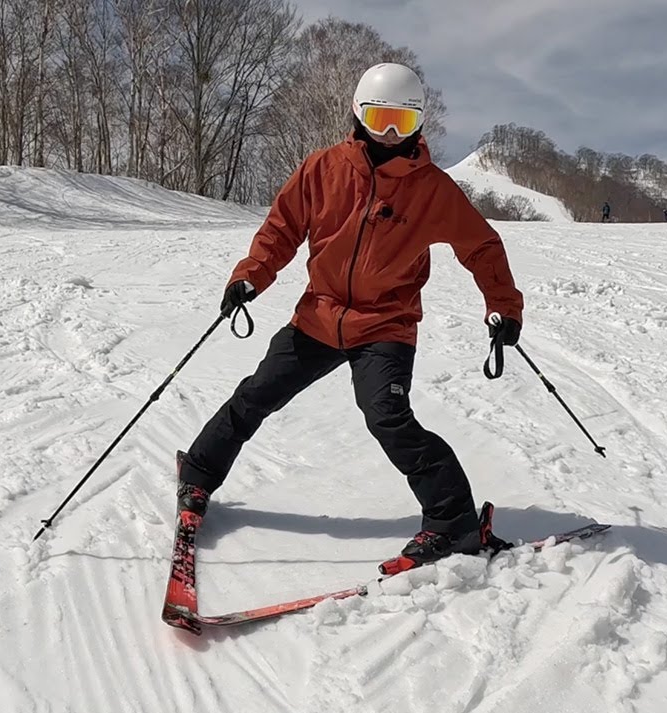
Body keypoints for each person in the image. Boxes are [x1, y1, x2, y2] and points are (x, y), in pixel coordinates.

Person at [175, 62, 524, 570]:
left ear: (419, 125)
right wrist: (251, 275)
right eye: (380, 118)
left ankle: (453, 524)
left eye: (401, 123)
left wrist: (503, 308)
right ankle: (198, 475)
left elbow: (483, 248)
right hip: (318, 317)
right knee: (256, 394)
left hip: (386, 325)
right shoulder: (323, 169)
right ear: (359, 115)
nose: (388, 133)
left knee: (387, 415)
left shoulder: (432, 189)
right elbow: (280, 229)